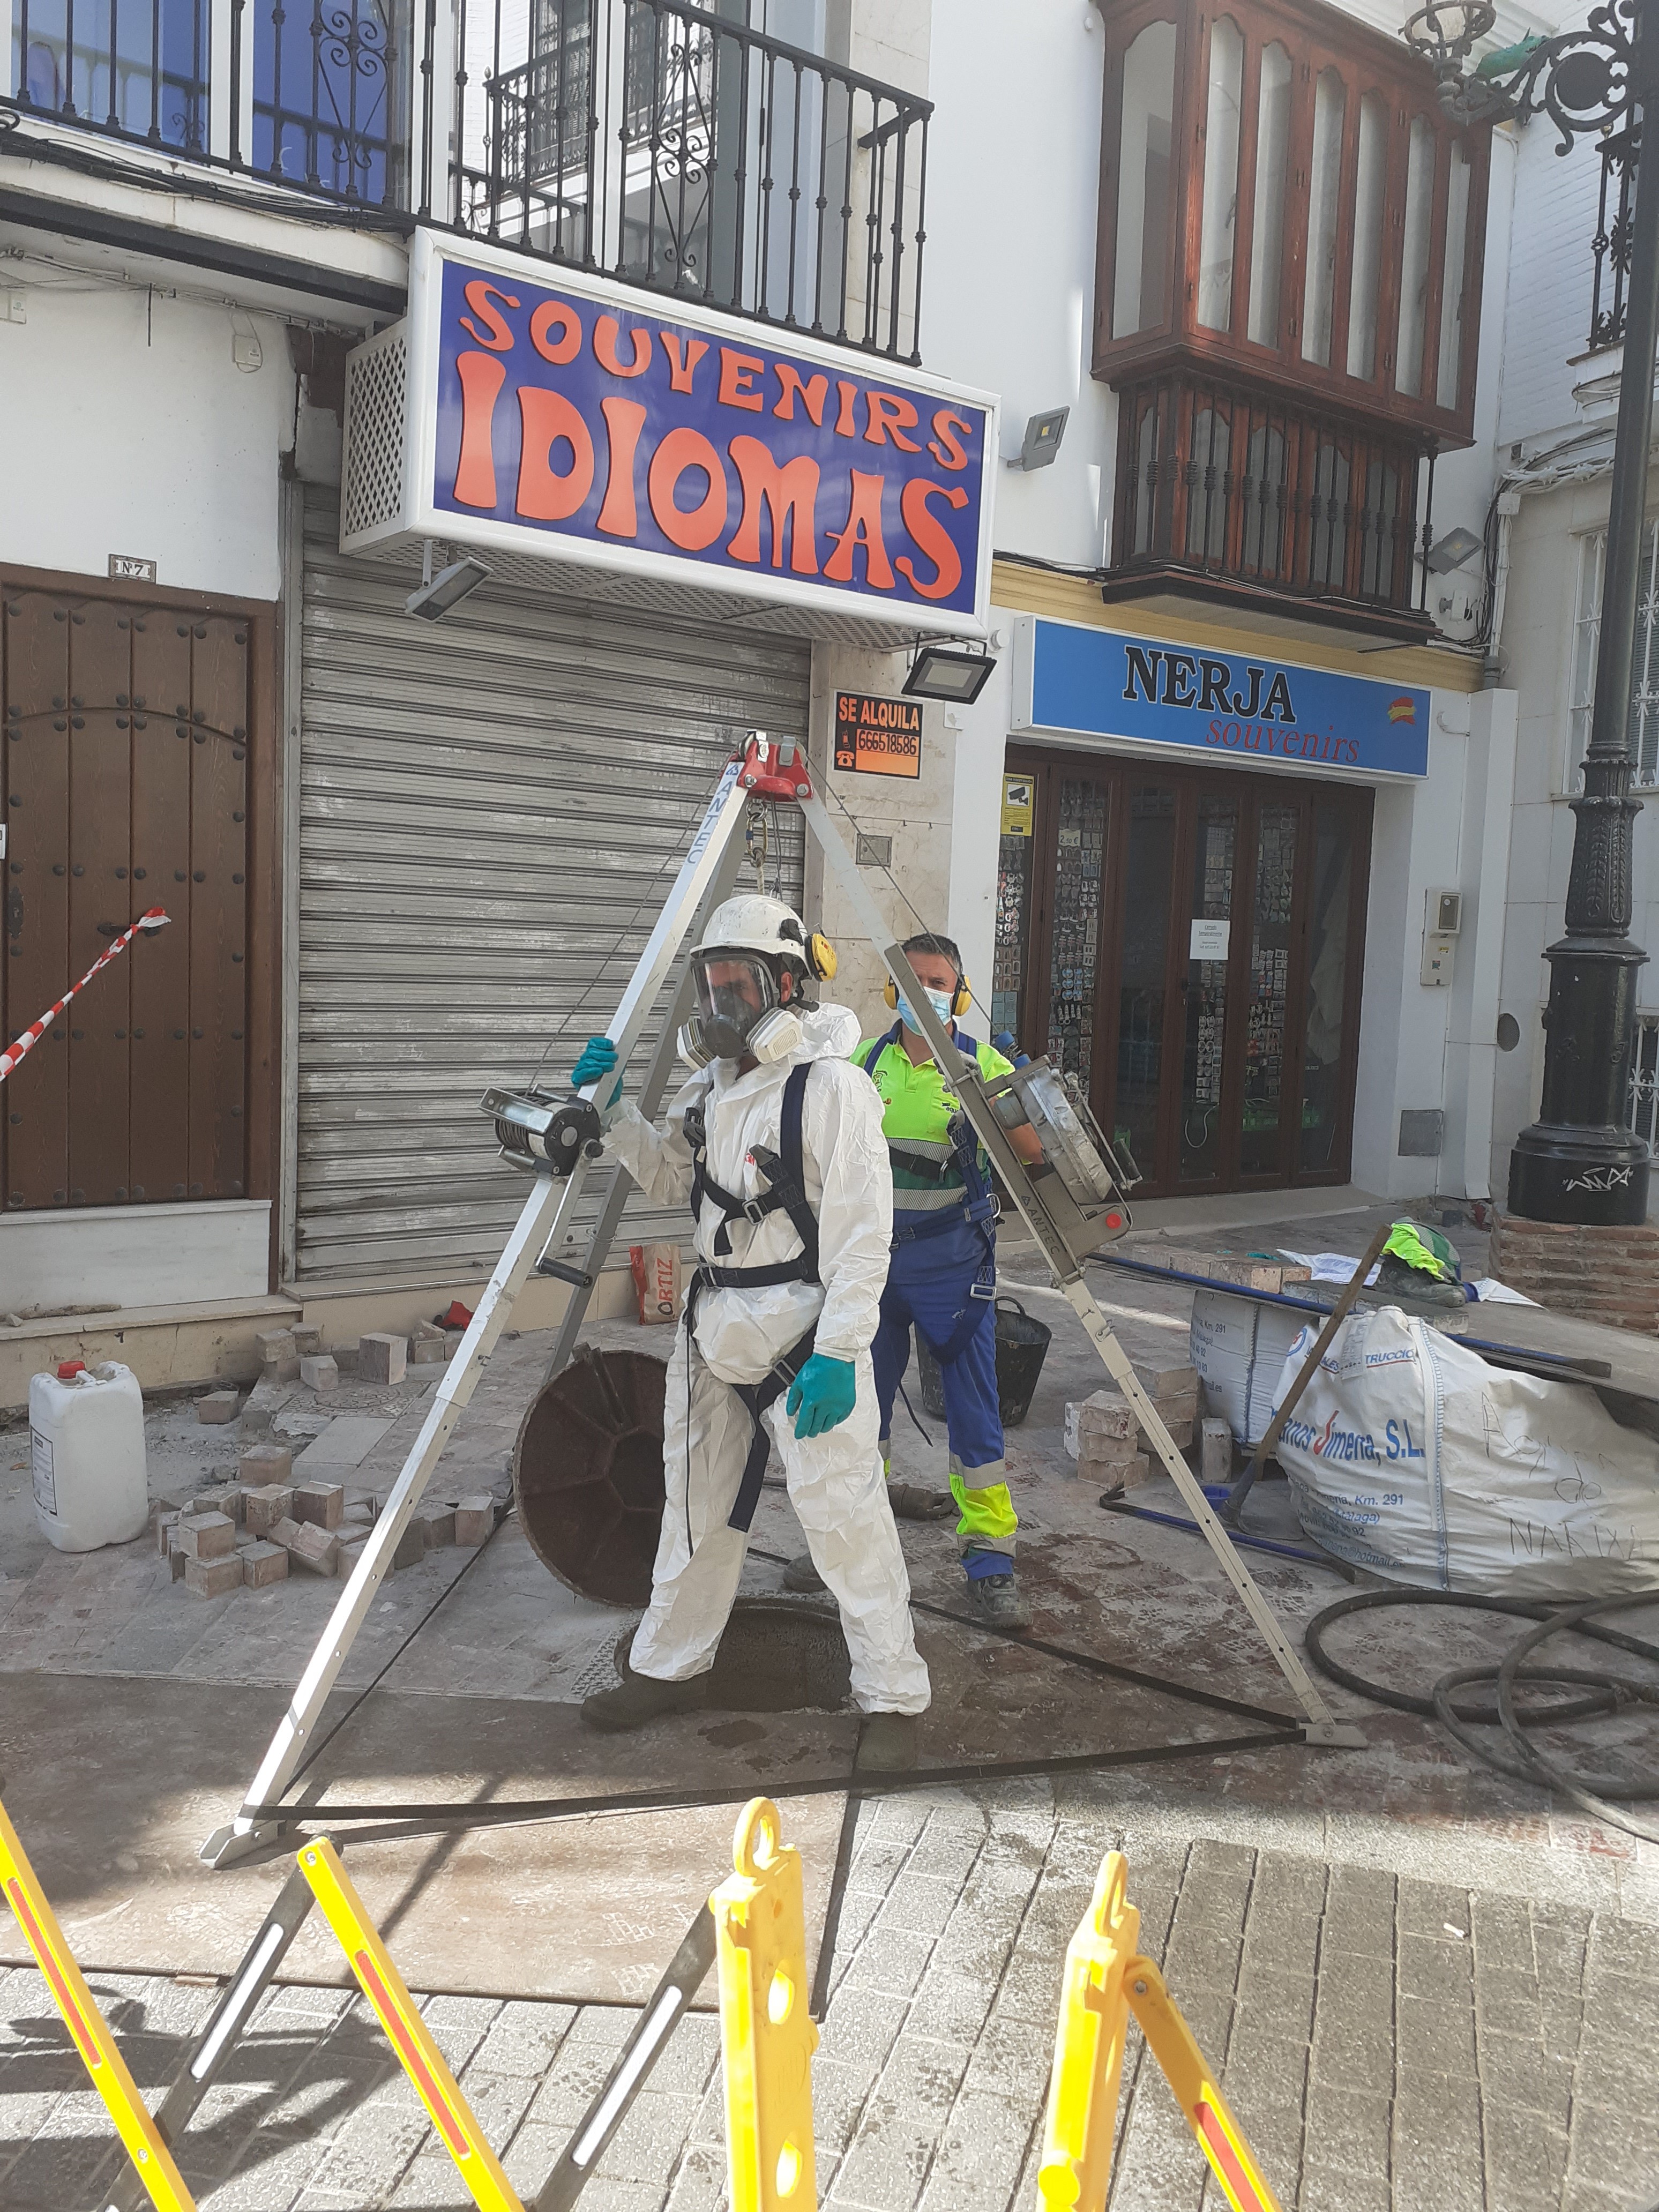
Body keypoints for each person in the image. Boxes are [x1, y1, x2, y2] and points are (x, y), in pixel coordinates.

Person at [568, 894, 930, 1769]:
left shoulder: (832, 1088)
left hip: (804, 1343)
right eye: (711, 983)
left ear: (788, 985)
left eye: (739, 982)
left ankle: (892, 1699)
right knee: (693, 1515)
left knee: (845, 1523)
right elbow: (672, 1181)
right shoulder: (711, 1088)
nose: (720, 1002)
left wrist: (840, 1353)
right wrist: (615, 1112)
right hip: (713, 1335)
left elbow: (864, 1238)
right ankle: (671, 1665)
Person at [786, 932, 1042, 1628]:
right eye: (914, 982)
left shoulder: (982, 1065)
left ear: (960, 994)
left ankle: (990, 1562)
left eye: (939, 983)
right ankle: (845, 1544)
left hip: (952, 1271)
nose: (925, 994)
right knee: (856, 1415)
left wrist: (1003, 1095)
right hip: (869, 1269)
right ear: (893, 990)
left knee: (975, 1415)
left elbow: (1033, 1152)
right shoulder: (862, 1063)